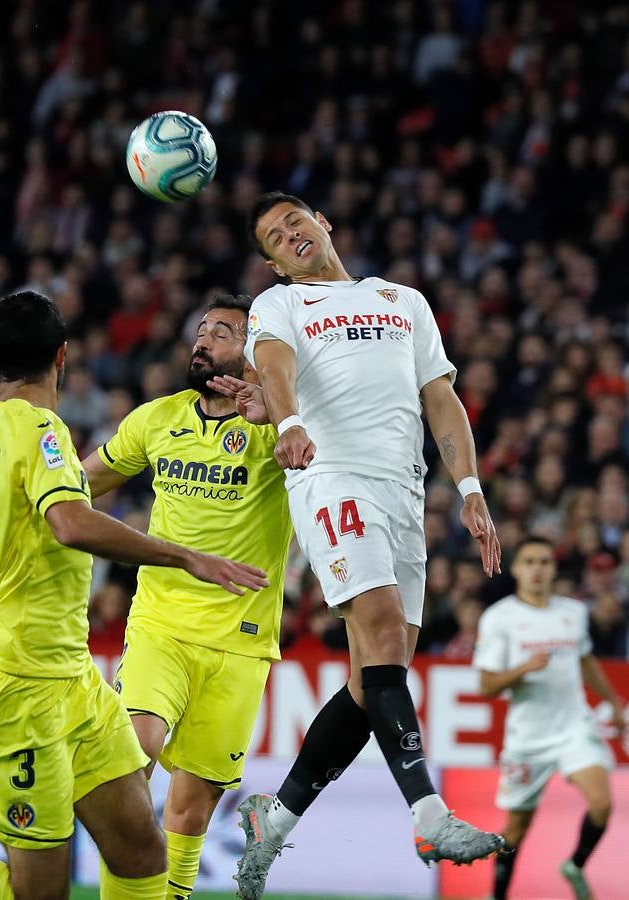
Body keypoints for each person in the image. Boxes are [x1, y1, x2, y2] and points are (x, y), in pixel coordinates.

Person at [0, 291, 267, 900]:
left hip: (77, 684)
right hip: (18, 691)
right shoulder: (43, 432)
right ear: (62, 356)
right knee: (36, 895)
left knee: (143, 854)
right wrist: (187, 556)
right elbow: (70, 519)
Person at [217, 191, 504, 898]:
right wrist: (286, 422)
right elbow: (276, 369)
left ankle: (274, 820)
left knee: (375, 675)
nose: (291, 237)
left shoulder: (403, 300)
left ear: (325, 223)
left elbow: (441, 399)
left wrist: (469, 488)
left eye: (297, 223)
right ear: (273, 264)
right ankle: (430, 816)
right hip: (330, 476)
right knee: (378, 633)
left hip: (403, 493)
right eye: (276, 239)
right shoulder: (278, 308)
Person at [474, 535, 624, 900]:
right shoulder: (500, 618)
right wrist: (524, 668)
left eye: (544, 562)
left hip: (574, 726)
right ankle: (497, 894)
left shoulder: (572, 612)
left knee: (602, 803)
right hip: (528, 736)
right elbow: (486, 686)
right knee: (516, 830)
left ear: (554, 569)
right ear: (518, 569)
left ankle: (575, 864)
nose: (538, 569)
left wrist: (614, 703)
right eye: (530, 562)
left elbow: (585, 660)